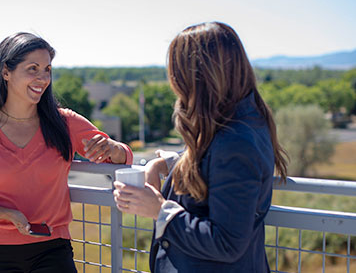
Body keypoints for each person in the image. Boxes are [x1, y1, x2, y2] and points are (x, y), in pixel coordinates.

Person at [113, 22, 288, 272]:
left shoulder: (236, 142)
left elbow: (226, 243)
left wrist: (160, 210)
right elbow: (215, 163)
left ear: (196, 77)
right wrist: (168, 164)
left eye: (176, 72)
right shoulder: (243, 121)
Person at [0, 32, 133, 273]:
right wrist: (7, 214)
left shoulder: (65, 122)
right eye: (33, 69)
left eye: (47, 69)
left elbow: (122, 157)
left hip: (52, 249)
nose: (43, 78)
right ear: (6, 72)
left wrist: (113, 148)